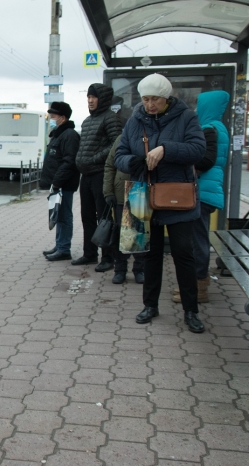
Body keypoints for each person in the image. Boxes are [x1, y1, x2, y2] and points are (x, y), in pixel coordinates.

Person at [115, 73, 206, 333]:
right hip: (141, 193)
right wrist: (130, 162)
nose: (149, 104)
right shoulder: (134, 121)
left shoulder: (186, 117)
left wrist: (166, 148)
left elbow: (198, 150)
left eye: (154, 99)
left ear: (166, 98)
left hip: (176, 193)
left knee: (183, 254)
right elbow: (119, 154)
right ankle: (150, 305)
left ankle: (191, 310)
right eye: (145, 99)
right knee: (148, 253)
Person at [171, 90, 229, 304]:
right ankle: (197, 284)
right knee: (198, 238)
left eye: (200, 105)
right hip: (207, 190)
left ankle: (197, 286)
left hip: (201, 191)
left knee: (196, 241)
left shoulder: (209, 128)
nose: (196, 109)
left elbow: (205, 160)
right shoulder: (217, 127)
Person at [72, 84, 122, 271]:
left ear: (103, 99)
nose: (90, 101)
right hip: (86, 175)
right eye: (88, 97)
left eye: (94, 97)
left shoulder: (110, 119)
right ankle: (89, 253)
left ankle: (108, 257)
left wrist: (93, 159)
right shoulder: (86, 121)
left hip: (101, 174)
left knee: (104, 218)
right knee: (87, 216)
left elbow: (116, 145)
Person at [39, 101, 81, 261]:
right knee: (57, 214)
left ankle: (64, 249)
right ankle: (60, 245)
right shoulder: (59, 134)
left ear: (63, 118)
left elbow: (69, 162)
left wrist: (56, 182)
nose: (51, 119)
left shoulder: (69, 135)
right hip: (57, 184)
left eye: (53, 116)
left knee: (64, 216)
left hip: (63, 184)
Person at [103, 134, 146, 284]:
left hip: (141, 190)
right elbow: (109, 165)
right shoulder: (122, 138)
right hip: (121, 192)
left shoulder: (150, 137)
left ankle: (139, 269)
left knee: (140, 233)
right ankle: (120, 269)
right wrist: (108, 191)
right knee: (121, 233)